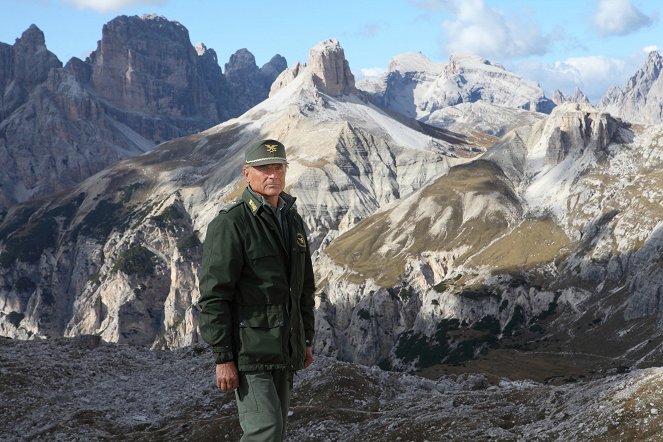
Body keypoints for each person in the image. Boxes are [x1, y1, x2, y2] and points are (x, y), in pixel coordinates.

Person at [198, 139, 316, 441]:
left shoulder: (292, 219)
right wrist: (223, 357)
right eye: (264, 168)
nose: (272, 175)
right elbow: (215, 295)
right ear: (246, 174)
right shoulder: (231, 223)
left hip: (283, 348)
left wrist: (305, 340)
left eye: (278, 167)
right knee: (265, 432)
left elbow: (303, 287)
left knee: (276, 433)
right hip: (248, 351)